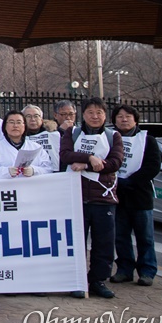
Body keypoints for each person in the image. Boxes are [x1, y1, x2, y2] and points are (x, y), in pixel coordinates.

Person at [60, 97, 124, 299]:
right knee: (76, 242)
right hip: (76, 196)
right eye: (90, 112)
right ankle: (77, 281)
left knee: (103, 243)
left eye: (99, 112)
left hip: (103, 197)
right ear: (83, 115)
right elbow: (65, 155)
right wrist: (89, 157)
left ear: (105, 115)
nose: (95, 116)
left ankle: (98, 280)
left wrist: (87, 166)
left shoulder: (114, 136)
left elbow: (115, 162)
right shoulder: (73, 133)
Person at [110, 105, 161, 287]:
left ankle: (147, 271)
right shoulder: (108, 139)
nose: (124, 119)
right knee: (121, 236)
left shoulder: (148, 140)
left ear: (135, 119)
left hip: (140, 195)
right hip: (117, 195)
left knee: (145, 237)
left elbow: (153, 166)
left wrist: (131, 181)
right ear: (114, 120)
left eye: (128, 116)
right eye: (120, 116)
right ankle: (124, 270)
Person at [0, 111, 53, 180]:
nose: (15, 126)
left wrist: (34, 170)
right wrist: (6, 172)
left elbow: (48, 169)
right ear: (4, 126)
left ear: (24, 126)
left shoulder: (36, 147)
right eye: (11, 122)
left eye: (19, 122)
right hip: (8, 189)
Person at [23, 104, 60, 171]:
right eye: (28, 116)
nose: (33, 119)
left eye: (36, 116)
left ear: (41, 119)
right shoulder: (18, 136)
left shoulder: (53, 133)